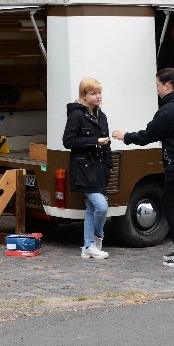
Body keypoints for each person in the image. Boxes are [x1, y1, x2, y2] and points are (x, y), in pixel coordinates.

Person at [112, 68, 174, 268]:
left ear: (167, 85)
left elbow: (148, 135)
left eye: (158, 85)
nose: (156, 89)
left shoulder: (168, 111)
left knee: (171, 208)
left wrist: (125, 136)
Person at [63, 78, 113, 260]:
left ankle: (88, 247)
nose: (99, 96)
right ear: (84, 96)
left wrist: (108, 165)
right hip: (83, 170)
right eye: (94, 93)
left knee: (93, 209)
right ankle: (96, 241)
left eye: (100, 92)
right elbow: (68, 141)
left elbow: (107, 143)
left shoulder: (102, 116)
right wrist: (93, 141)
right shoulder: (76, 115)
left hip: (100, 169)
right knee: (101, 206)